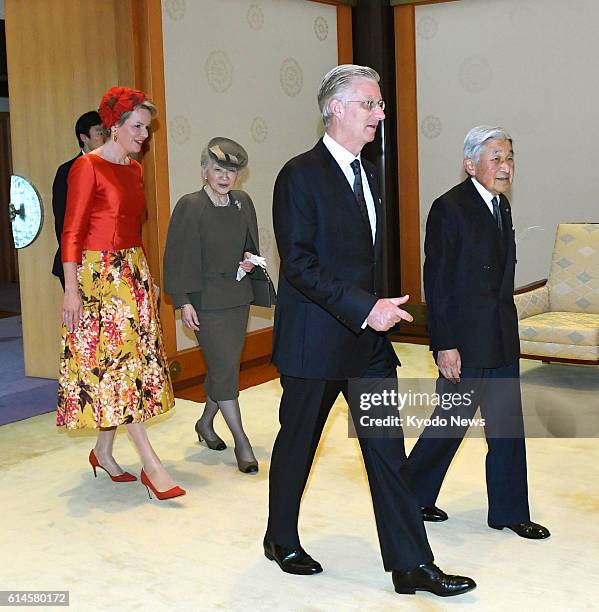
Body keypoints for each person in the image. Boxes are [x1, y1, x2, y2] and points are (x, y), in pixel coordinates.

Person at [264, 64, 475, 598]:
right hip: (315, 341)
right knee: (298, 445)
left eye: (380, 105)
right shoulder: (299, 175)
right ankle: (279, 536)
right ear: (335, 108)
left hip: (368, 345)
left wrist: (373, 315)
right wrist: (366, 308)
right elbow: (300, 264)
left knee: (386, 449)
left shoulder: (369, 174)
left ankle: (411, 565)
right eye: (369, 104)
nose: (381, 114)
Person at [407, 125, 550, 539]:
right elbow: (437, 281)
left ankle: (509, 511)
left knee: (506, 426)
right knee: (448, 424)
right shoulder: (449, 207)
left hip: (501, 335)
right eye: (496, 158)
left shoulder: (501, 206)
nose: (505, 167)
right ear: (470, 165)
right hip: (465, 341)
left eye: (509, 157)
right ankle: (410, 495)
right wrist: (444, 344)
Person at [57, 86, 185, 501]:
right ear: (114, 126)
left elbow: (134, 225)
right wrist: (71, 291)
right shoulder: (87, 167)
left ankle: (103, 451)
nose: (144, 134)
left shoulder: (134, 169)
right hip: (97, 278)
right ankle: (152, 464)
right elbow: (72, 232)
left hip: (131, 273)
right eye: (137, 126)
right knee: (118, 366)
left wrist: (146, 279)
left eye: (147, 128)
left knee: (125, 364)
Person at [163, 137, 260, 474]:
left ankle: (205, 424)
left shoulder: (243, 203)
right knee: (223, 369)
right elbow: (176, 257)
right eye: (218, 169)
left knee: (225, 368)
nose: (224, 177)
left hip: (237, 298)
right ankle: (241, 441)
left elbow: (249, 245)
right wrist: (183, 302)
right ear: (205, 170)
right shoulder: (190, 205)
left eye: (231, 172)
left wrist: (249, 260)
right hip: (205, 303)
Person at [51, 111, 107, 289]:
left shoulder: (115, 168)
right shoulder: (67, 171)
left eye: (107, 131)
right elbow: (62, 222)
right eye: (99, 132)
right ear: (84, 137)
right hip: (78, 262)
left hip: (110, 261)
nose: (105, 137)